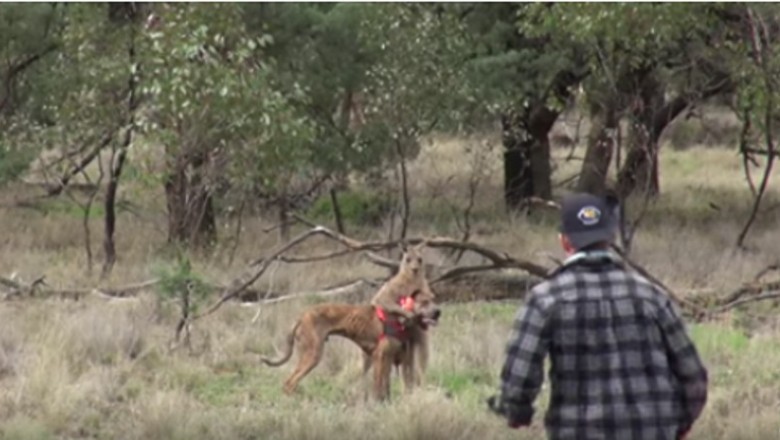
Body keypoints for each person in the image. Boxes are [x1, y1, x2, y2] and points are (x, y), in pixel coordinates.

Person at [487, 192, 708, 440]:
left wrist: (516, 412)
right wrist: (678, 424)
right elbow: (693, 376)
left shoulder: (546, 299)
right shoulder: (652, 295)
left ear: (565, 242)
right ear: (610, 238)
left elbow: (519, 378)